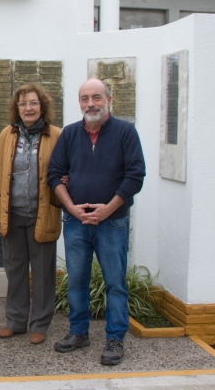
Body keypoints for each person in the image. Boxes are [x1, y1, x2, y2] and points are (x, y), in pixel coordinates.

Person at [47, 78, 145, 366]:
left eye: (97, 97)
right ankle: (79, 332)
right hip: (76, 222)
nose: (91, 103)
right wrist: (72, 208)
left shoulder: (126, 133)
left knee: (115, 282)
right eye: (85, 98)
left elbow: (135, 176)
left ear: (109, 100)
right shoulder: (69, 134)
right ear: (79, 103)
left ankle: (115, 338)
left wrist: (108, 209)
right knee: (76, 280)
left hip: (111, 223)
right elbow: (54, 174)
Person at [0, 83, 63, 345]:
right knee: (15, 270)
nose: (28, 108)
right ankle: (15, 321)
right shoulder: (6, 135)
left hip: (42, 214)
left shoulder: (57, 135)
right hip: (12, 214)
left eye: (33, 103)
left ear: (42, 106)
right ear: (16, 108)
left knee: (42, 273)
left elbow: (65, 173)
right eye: (22, 104)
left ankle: (40, 324)